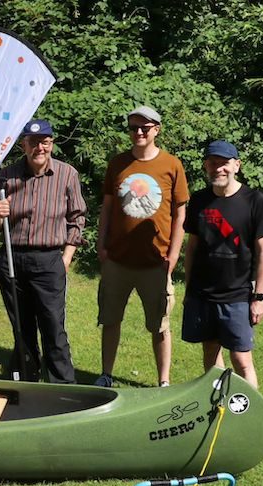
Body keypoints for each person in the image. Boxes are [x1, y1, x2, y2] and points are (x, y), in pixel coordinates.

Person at [95, 105, 189, 387]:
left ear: (156, 130)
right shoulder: (118, 163)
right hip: (118, 260)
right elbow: (107, 207)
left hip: (156, 261)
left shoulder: (171, 165)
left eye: (144, 128)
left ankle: (163, 381)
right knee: (110, 319)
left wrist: (172, 256)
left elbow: (180, 213)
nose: (138, 132)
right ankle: (106, 374)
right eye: (133, 127)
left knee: (160, 325)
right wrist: (101, 246)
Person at [0, 119, 87, 383]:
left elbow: (77, 218)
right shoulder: (6, 176)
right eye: (33, 143)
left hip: (49, 260)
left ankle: (62, 385)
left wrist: (66, 257)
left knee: (53, 325)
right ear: (24, 145)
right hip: (13, 259)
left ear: (51, 144)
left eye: (44, 142)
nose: (39, 148)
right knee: (22, 327)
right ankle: (25, 379)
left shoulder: (67, 175)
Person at [182, 140, 263, 388]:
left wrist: (259, 297)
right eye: (213, 163)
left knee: (242, 358)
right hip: (202, 294)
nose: (218, 168)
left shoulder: (254, 200)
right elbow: (192, 247)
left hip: (237, 294)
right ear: (206, 166)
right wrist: (189, 290)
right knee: (210, 353)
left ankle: (251, 415)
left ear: (236, 165)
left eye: (224, 163)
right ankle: (217, 407)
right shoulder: (199, 200)